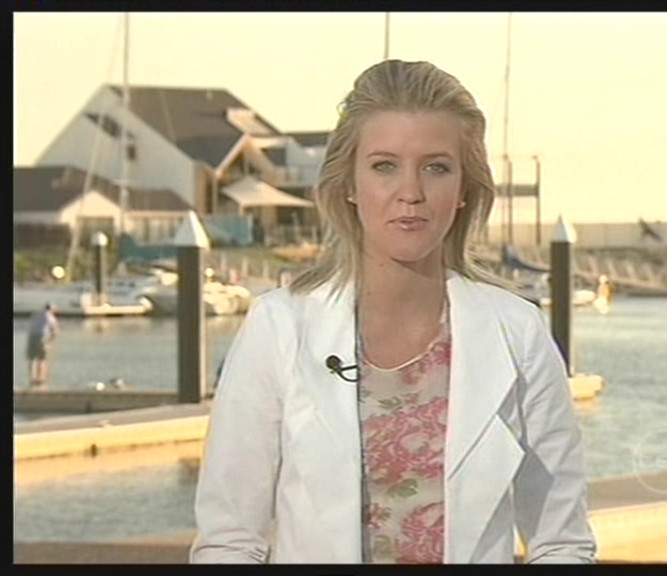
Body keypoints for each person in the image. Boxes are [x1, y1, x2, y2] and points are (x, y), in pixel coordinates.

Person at [190, 59, 596, 564]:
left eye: (436, 167)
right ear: (350, 183)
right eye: (385, 166)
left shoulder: (517, 333)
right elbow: (229, 540)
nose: (412, 193)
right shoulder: (280, 327)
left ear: (464, 189)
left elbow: (561, 541)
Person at [26, 302, 59, 387]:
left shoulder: (35, 314)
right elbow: (55, 332)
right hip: (42, 338)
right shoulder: (51, 317)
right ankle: (40, 379)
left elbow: (31, 326)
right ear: (51, 309)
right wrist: (50, 343)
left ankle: (31, 378)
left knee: (32, 359)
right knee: (42, 359)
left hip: (31, 337)